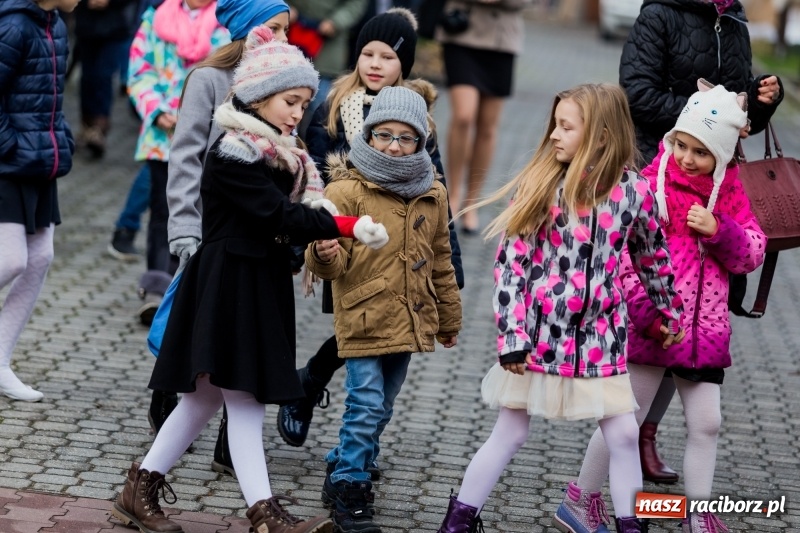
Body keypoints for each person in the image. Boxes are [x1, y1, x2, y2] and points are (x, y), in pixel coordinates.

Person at [112, 25, 389, 533]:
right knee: (241, 397)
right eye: (289, 100)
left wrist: (324, 226)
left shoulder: (285, 154)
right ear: (260, 95)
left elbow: (295, 212)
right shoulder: (233, 154)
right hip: (228, 283)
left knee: (204, 399)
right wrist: (344, 224)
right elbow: (278, 216)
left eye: (304, 103)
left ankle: (141, 486)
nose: (297, 113)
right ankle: (264, 514)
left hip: (254, 283)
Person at [435, 83, 686, 533]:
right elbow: (511, 267)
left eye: (566, 127)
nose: (554, 134)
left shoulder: (635, 193)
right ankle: (457, 522)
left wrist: (672, 312)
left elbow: (654, 257)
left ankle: (631, 524)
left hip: (601, 337)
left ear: (603, 136)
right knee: (511, 431)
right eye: (555, 124)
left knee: (626, 434)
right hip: (537, 336)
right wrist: (512, 336)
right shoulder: (543, 187)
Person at [569, 80, 767, 533]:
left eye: (701, 151)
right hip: (651, 326)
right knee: (624, 421)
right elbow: (620, 261)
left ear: (722, 157)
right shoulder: (647, 189)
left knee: (708, 423)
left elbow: (752, 252)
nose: (687, 158)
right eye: (682, 144)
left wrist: (720, 230)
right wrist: (649, 316)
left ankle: (698, 513)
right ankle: (580, 499)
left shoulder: (731, 194)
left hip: (705, 333)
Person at [278, 7, 465, 454]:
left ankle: (315, 391)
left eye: (387, 56)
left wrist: (451, 266)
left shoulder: (416, 118)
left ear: (406, 65)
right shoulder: (332, 108)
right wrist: (304, 238)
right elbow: (313, 178)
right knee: (357, 328)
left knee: (374, 332)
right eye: (368, 53)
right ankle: (327, 411)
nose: (375, 64)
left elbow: (436, 194)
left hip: (405, 244)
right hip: (346, 240)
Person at [619, 0, 784, 483]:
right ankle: (630, 448)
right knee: (650, 361)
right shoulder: (660, 13)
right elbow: (637, 93)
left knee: (694, 341)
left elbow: (740, 106)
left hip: (717, 186)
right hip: (664, 162)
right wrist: (706, 120)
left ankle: (651, 442)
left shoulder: (733, 19)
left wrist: (756, 102)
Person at [305, 86, 462, 533]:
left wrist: (449, 318)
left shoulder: (431, 191)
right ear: (369, 136)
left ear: (421, 142)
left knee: (384, 405)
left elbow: (442, 260)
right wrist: (325, 250)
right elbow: (322, 263)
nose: (394, 145)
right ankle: (350, 487)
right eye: (385, 135)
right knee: (366, 402)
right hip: (363, 313)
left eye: (406, 137)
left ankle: (343, 461)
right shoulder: (346, 190)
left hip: (410, 316)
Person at [156, 0, 294, 476]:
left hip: (257, 243)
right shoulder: (209, 80)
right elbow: (186, 158)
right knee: (205, 349)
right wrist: (184, 231)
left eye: (286, 30)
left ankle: (186, 462)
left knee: (225, 371)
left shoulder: (284, 88)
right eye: (273, 28)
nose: (281, 38)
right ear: (245, 29)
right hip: (212, 237)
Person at [125, 0, 231, 327]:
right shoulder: (155, 20)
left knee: (200, 209)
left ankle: (187, 286)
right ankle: (157, 287)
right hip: (162, 137)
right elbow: (139, 70)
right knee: (163, 209)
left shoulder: (224, 24)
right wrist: (157, 112)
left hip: (209, 135)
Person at [0, 0, 78, 402]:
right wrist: (9, 146)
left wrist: (61, 140)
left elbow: (52, 99)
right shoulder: (14, 26)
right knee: (12, 259)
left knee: (41, 257)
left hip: (41, 163)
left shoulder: (57, 24)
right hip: (8, 164)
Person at [435, 0, 530, 234]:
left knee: (487, 127)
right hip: (462, 30)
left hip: (502, 39)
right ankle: (453, 195)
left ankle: (471, 202)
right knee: (463, 117)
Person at [287, 0, 370, 135]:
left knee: (319, 108)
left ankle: (309, 145)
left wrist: (335, 22)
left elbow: (354, 5)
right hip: (291, 34)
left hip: (328, 46)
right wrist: (284, 9)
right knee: (286, 98)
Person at [73, 0, 140, 158]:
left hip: (113, 26)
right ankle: (87, 125)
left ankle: (99, 128)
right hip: (86, 26)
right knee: (87, 78)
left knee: (103, 76)